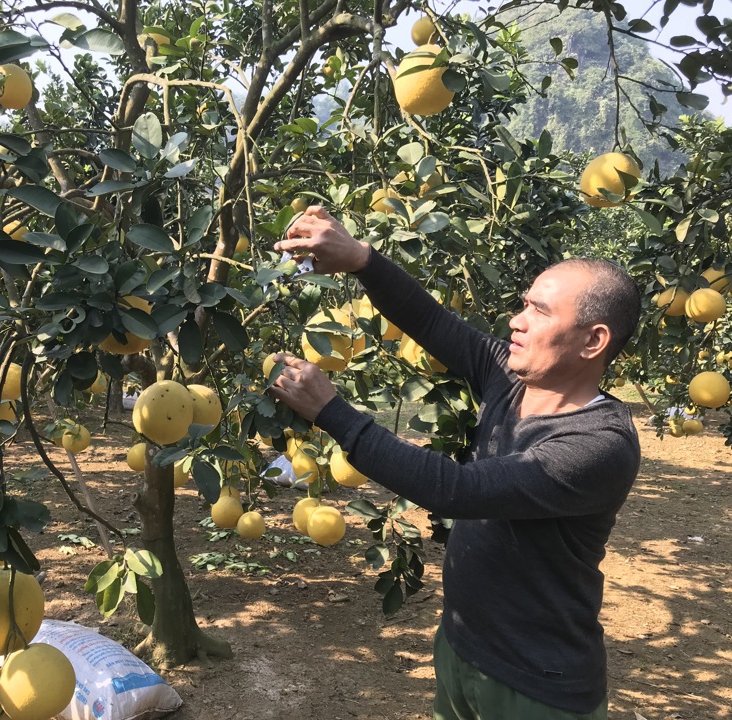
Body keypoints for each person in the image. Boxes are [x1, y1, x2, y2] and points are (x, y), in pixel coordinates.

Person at [269, 206, 642, 720]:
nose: (517, 319)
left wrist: (334, 414)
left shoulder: (598, 445)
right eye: (522, 304)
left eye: (539, 311)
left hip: (538, 685)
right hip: (462, 648)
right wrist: (360, 259)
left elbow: (458, 490)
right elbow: (429, 320)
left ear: (593, 340)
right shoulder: (509, 378)